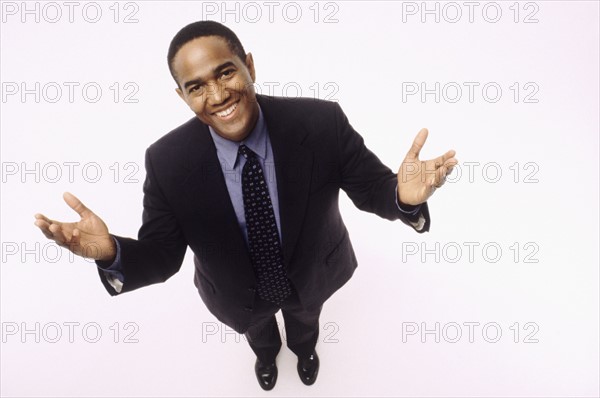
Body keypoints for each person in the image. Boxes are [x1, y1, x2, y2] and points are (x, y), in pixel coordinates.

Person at [34, 21, 457, 391]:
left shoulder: (321, 122)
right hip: (237, 292)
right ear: (182, 96)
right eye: (196, 86)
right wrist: (111, 254)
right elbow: (162, 256)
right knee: (258, 330)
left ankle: (304, 350)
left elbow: (372, 189)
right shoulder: (166, 161)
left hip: (313, 273)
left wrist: (402, 198)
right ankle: (267, 355)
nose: (217, 95)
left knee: (305, 320)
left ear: (249, 67)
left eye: (225, 73)